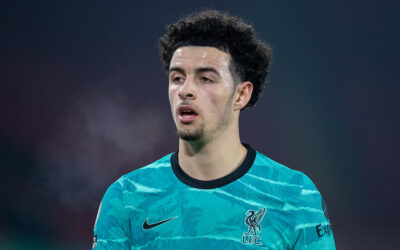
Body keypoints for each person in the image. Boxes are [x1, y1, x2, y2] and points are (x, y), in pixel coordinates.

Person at [93, 10, 335, 249]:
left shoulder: (295, 196)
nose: (185, 90)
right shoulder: (126, 198)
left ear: (241, 94)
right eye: (177, 78)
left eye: (205, 79)